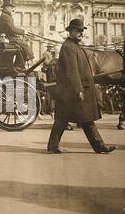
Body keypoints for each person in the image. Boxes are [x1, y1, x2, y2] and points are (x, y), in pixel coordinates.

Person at [47, 19, 116, 154]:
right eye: (78, 31)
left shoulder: (74, 46)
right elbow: (72, 71)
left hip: (74, 90)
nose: (80, 33)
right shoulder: (69, 47)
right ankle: (99, 147)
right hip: (74, 91)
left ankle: (53, 146)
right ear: (71, 31)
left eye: (82, 31)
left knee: (70, 120)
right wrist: (78, 89)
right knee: (81, 119)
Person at [0, 0, 34, 67]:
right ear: (6, 7)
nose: (12, 9)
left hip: (8, 37)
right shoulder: (6, 16)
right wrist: (23, 31)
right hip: (8, 39)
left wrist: (21, 33)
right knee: (24, 45)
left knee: (22, 45)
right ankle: (19, 65)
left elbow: (10, 29)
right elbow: (12, 29)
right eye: (11, 7)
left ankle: (19, 64)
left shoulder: (5, 16)